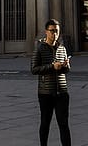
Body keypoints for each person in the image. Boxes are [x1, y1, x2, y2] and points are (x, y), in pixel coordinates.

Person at [30, 18, 71, 146]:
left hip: (62, 92)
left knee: (63, 124)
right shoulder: (39, 48)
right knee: (45, 123)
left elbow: (65, 71)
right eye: (52, 31)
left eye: (57, 31)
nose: (55, 34)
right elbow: (34, 69)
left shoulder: (62, 48)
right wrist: (52, 67)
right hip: (45, 92)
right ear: (46, 32)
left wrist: (66, 65)